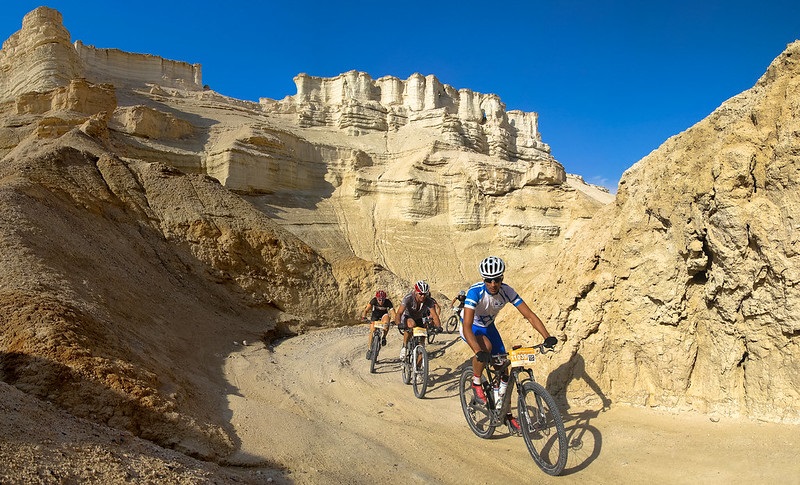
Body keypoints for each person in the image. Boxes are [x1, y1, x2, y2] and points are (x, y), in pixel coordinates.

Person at [461, 256, 558, 431]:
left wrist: (547, 336)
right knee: (486, 349)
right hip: (472, 327)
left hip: (489, 327)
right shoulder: (475, 292)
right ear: (484, 280)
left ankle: (505, 414)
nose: (493, 284)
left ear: (502, 278)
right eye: (489, 280)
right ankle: (476, 382)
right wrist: (477, 350)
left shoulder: (507, 291)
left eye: (496, 279)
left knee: (504, 369)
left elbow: (528, 315)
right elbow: (467, 326)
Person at [394, 280, 443, 358]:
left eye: (424, 294)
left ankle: (418, 367)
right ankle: (404, 346)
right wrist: (399, 324)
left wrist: (438, 326)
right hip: (408, 316)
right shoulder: (408, 298)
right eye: (420, 294)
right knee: (411, 324)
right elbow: (399, 313)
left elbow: (434, 315)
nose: (423, 296)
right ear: (416, 292)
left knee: (422, 342)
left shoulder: (429, 301)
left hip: (419, 318)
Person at [362, 290, 395, 360]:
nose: (381, 301)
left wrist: (393, 320)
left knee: (386, 323)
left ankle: (384, 337)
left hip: (384, 315)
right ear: (376, 298)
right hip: (375, 316)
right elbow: (366, 310)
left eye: (383, 300)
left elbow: (393, 312)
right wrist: (364, 317)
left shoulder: (388, 302)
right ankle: (369, 349)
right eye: (379, 300)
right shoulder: (374, 301)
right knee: (372, 330)